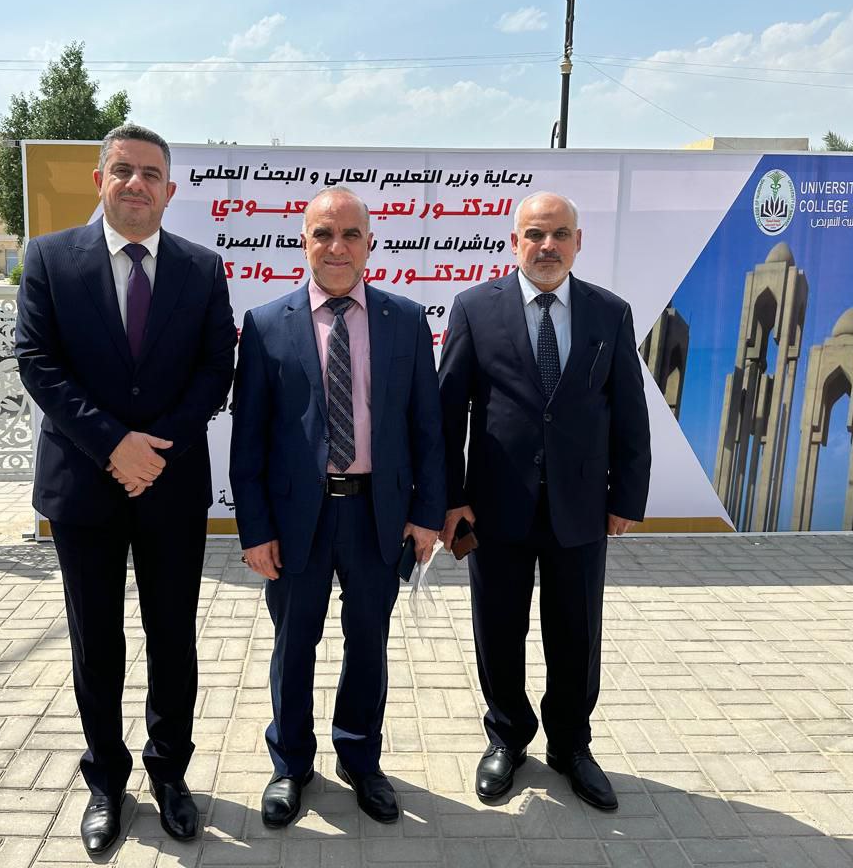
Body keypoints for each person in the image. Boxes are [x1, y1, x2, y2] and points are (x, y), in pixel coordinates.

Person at [15, 124, 236, 852]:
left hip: (170, 486)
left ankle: (170, 775)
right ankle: (106, 780)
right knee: (96, 643)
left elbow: (216, 368)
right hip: (84, 488)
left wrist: (154, 448)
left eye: (150, 174)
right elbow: (37, 361)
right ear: (100, 180)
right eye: (123, 170)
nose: (136, 184)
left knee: (173, 639)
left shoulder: (202, 269)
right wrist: (114, 444)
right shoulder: (49, 258)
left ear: (170, 190)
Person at [230, 187, 445, 828]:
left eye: (351, 234)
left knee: (368, 642)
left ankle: (360, 758)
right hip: (298, 518)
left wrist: (427, 514)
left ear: (370, 244)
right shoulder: (267, 324)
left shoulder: (405, 320)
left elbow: (427, 427)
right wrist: (255, 529)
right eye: (323, 233)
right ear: (303, 241)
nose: (337, 246)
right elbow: (249, 439)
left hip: (378, 514)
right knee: (293, 643)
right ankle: (290, 764)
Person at [438, 190, 650, 809]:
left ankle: (571, 744)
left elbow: (629, 412)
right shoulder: (475, 309)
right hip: (495, 507)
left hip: (581, 508)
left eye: (559, 234)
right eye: (535, 234)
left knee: (576, 632)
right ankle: (507, 737)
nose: (547, 246)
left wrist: (626, 496)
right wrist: (451, 499)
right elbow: (447, 414)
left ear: (578, 242)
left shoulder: (610, 313)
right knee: (498, 629)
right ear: (515, 242)